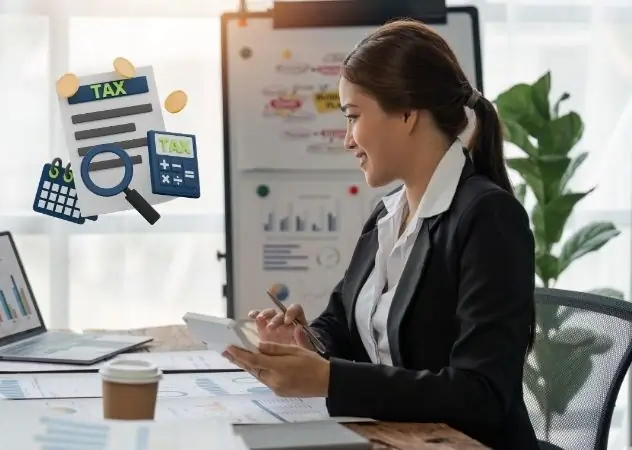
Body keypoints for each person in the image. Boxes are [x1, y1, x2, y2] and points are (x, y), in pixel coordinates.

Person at [222, 19, 539, 450]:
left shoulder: (488, 218)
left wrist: (331, 377)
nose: (348, 139)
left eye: (353, 117)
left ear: (408, 113)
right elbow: (344, 321)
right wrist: (307, 342)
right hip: (392, 439)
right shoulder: (389, 212)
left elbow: (480, 394)